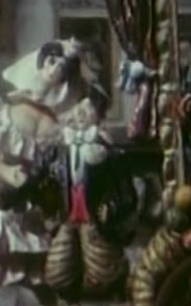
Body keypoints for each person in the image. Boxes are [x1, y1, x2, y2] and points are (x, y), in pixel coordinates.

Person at [0, 39, 85, 297]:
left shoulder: (55, 126)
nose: (55, 69)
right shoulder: (4, 112)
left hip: (32, 210)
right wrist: (5, 171)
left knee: (29, 275)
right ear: (39, 63)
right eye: (51, 61)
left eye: (62, 67)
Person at [44, 85, 138, 304]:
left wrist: (111, 207)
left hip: (95, 221)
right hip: (68, 218)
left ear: (98, 116)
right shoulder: (59, 153)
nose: (80, 113)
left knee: (104, 269)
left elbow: (127, 194)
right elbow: (50, 183)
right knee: (59, 270)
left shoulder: (111, 154)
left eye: (87, 109)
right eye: (77, 108)